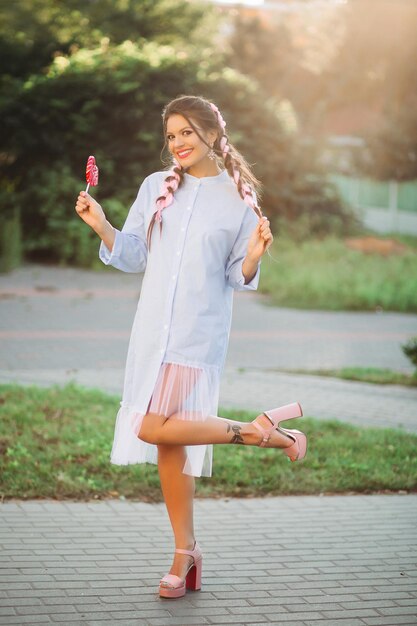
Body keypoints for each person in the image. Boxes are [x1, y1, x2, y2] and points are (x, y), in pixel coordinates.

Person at [75, 94, 307, 599]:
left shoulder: (238, 202)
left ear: (212, 135)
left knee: (153, 427)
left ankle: (262, 434)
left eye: (187, 132)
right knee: (167, 442)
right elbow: (133, 254)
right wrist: (100, 224)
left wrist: (253, 257)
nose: (178, 143)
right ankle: (187, 550)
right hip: (152, 330)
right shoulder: (155, 187)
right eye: (171, 135)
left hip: (196, 334)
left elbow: (236, 276)